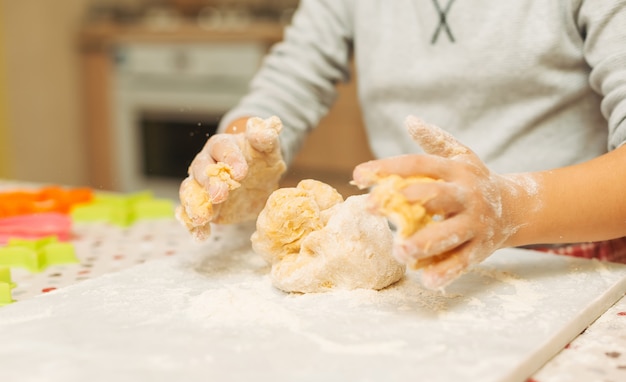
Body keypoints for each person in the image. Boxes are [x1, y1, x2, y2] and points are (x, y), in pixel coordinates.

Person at [178, 0, 626, 289]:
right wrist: (243, 150)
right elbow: (290, 79)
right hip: (408, 261)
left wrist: (510, 209)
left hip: (569, 263)